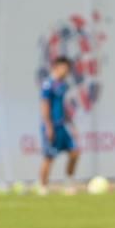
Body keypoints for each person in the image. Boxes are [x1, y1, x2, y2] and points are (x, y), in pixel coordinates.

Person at [38, 56, 81, 195]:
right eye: (65, 68)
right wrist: (48, 125)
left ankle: (68, 182)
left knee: (75, 152)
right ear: (57, 67)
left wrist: (72, 126)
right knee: (49, 157)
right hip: (52, 125)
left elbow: (64, 106)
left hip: (63, 125)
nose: (67, 71)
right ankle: (42, 186)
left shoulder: (63, 85)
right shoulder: (48, 84)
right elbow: (45, 105)